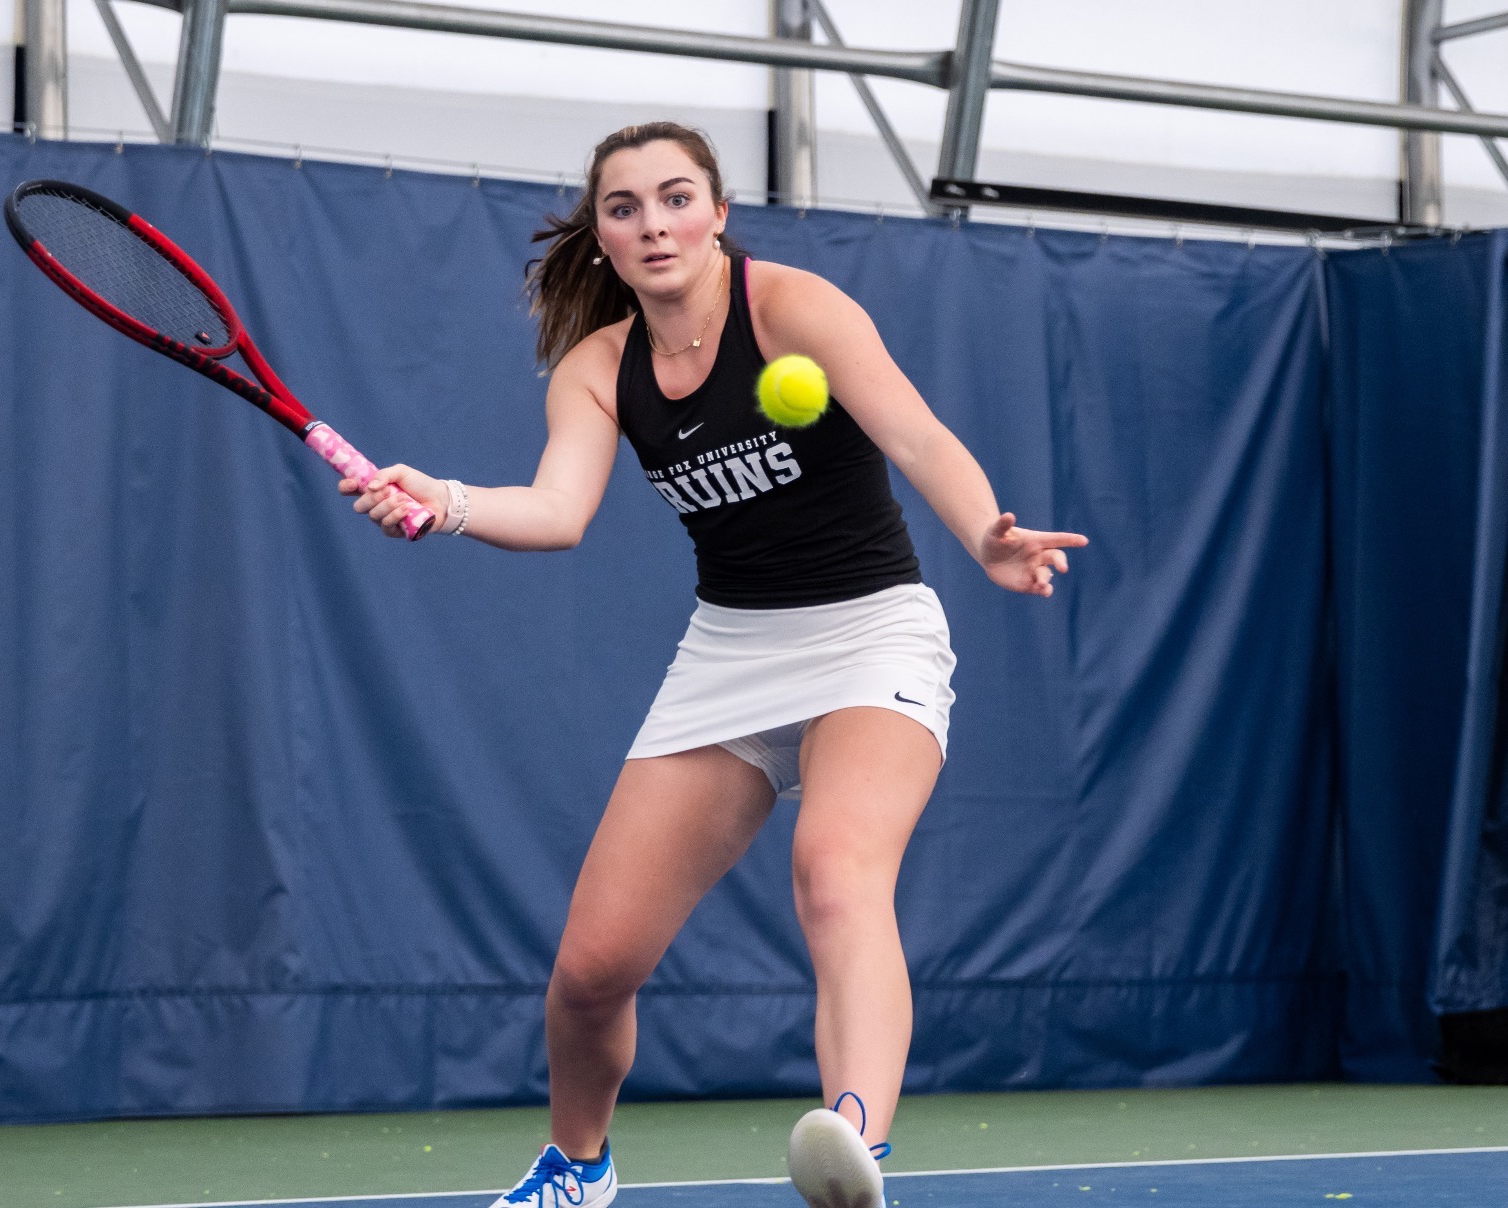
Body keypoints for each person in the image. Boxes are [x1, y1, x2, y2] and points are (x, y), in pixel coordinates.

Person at [341, 122, 1087, 1208]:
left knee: (836, 871)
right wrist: (444, 502)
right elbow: (556, 511)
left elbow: (918, 438)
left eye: (675, 197)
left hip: (870, 630)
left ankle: (855, 1145)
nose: (653, 224)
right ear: (597, 235)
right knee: (591, 973)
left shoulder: (793, 308)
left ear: (719, 211)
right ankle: (576, 1167)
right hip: (730, 651)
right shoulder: (598, 368)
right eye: (625, 207)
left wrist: (985, 535)